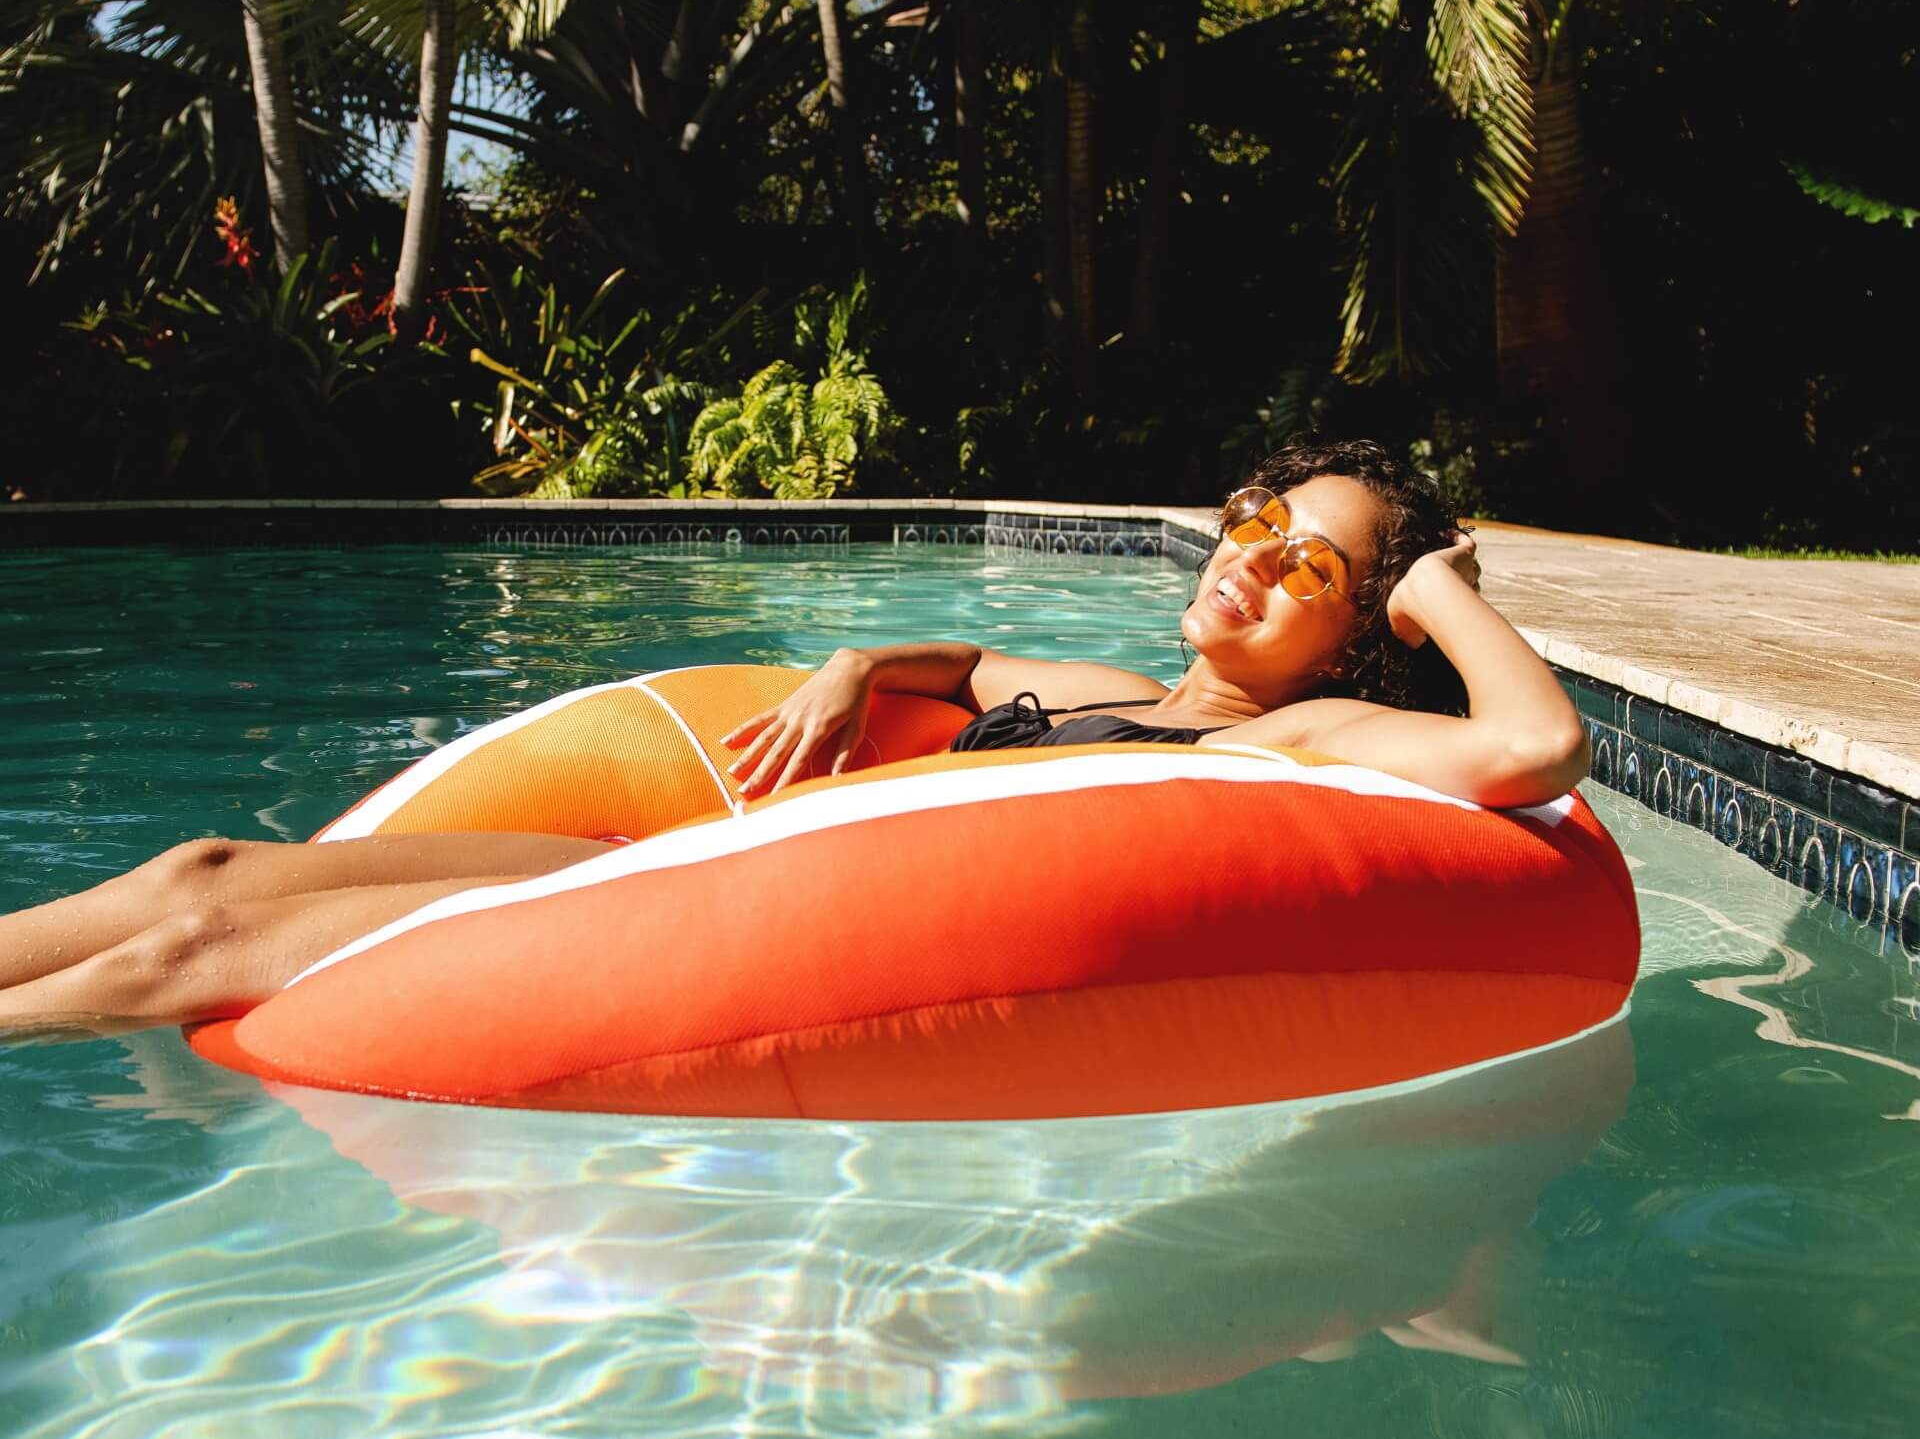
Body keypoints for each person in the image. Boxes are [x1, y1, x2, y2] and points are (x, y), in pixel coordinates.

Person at [0, 440, 1585, 1038]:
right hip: (667, 858)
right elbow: (958, 659)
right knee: (207, 864)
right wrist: (847, 663)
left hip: (695, 919)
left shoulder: (1308, 734)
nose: (1246, 555)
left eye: (1306, 564)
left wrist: (1439, 588)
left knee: (201, 944)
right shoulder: (1143, 694)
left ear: (1361, 628)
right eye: (1254, 519)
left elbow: (1530, 752)